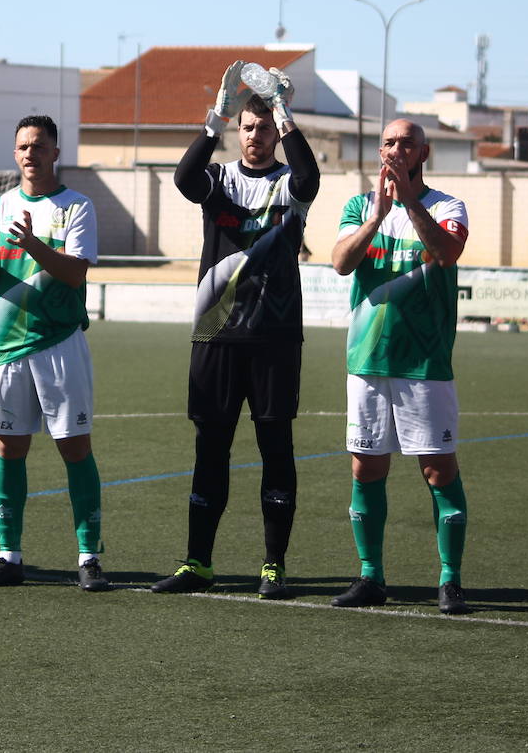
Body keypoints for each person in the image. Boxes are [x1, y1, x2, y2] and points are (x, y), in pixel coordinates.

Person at [150, 60, 319, 597]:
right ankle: (198, 562)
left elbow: (312, 176)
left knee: (276, 448)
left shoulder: (291, 187)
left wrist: (282, 108)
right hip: (216, 336)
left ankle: (273, 566)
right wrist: (216, 114)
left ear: (274, 132)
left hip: (273, 339)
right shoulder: (218, 181)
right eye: (247, 129)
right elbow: (182, 178)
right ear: (237, 133)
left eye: (263, 127)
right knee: (211, 448)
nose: (255, 137)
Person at [329, 119, 472, 616]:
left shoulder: (447, 206)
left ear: (423, 153)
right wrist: (377, 216)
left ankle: (450, 581)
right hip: (367, 361)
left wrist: (409, 203)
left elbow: (446, 254)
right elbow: (342, 262)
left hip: (425, 363)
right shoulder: (357, 206)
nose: (394, 149)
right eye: (388, 142)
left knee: (437, 469)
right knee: (366, 467)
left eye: (405, 143)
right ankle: (370, 576)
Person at [0, 115, 107, 591]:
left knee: (74, 448)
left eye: (39, 146)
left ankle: (88, 558)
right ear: (15, 151)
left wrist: (33, 245)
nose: (30, 154)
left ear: (55, 153)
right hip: (6, 348)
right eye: (23, 146)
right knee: (9, 448)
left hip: (59, 343)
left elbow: (74, 274)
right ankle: (9, 556)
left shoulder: (76, 207)